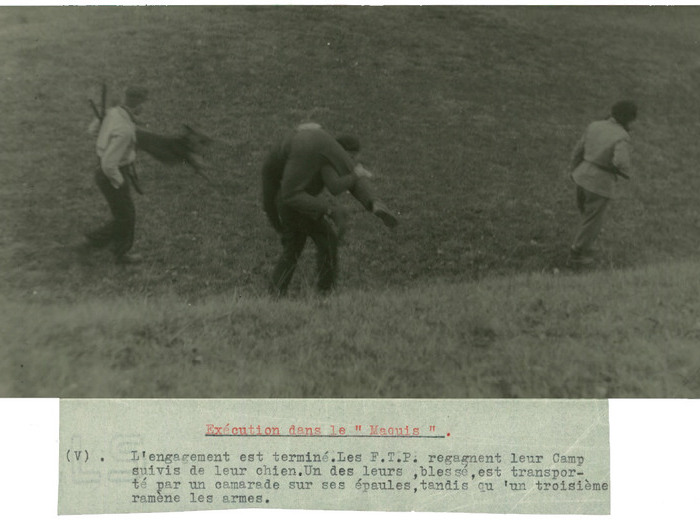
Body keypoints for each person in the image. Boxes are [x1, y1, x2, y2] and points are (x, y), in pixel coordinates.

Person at [262, 123, 398, 297]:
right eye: (352, 155)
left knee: (297, 249)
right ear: (343, 151)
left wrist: (278, 226)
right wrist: (352, 183)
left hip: (293, 205)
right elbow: (335, 186)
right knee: (323, 242)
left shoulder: (315, 155)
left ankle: (278, 294)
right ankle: (324, 291)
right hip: (298, 206)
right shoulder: (328, 162)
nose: (352, 158)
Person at [568, 100, 638, 266]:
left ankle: (583, 245)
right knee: (593, 219)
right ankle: (577, 255)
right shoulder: (622, 136)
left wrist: (573, 170)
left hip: (581, 175)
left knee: (586, 214)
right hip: (599, 183)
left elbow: (579, 149)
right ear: (627, 118)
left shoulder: (594, 125)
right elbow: (621, 162)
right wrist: (621, 172)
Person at [84, 86, 148, 264]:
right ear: (138, 105)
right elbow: (109, 164)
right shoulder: (125, 130)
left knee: (124, 215)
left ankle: (97, 244)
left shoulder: (113, 112)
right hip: (111, 174)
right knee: (126, 217)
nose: (144, 109)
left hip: (104, 172)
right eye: (143, 104)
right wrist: (120, 182)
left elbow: (92, 131)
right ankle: (99, 246)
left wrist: (104, 130)